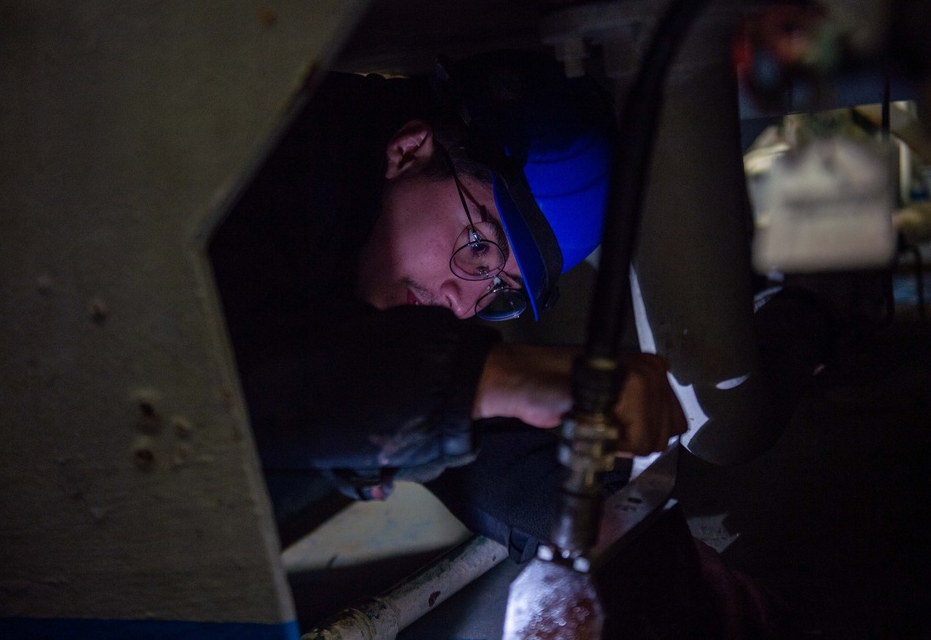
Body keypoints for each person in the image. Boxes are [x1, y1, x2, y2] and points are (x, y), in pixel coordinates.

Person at [208, 50, 686, 559]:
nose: (460, 306)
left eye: (497, 289)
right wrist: (492, 377)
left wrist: (622, 530)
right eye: (480, 245)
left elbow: (470, 437)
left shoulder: (372, 306)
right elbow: (221, 385)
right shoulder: (258, 161)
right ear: (409, 150)